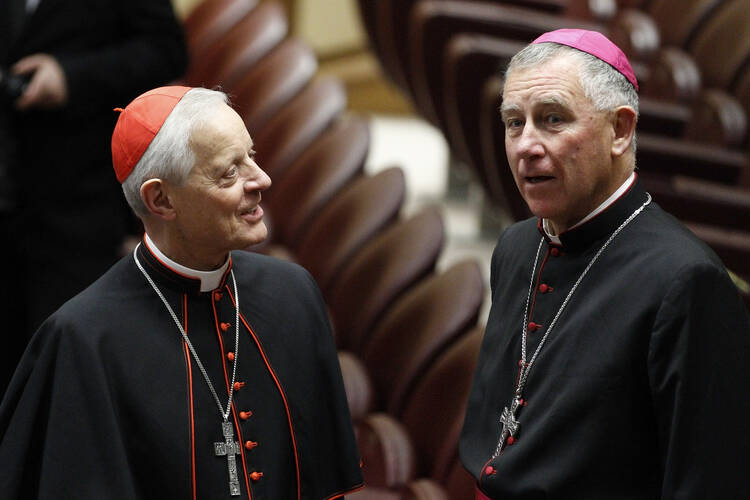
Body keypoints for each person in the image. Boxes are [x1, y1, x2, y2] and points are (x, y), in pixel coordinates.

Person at [0, 86, 364, 499]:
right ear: (160, 199)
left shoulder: (293, 295)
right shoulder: (83, 340)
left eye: (252, 156)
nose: (261, 180)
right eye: (229, 172)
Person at [459, 29, 750, 499]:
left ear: (620, 130)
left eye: (552, 119)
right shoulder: (516, 247)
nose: (525, 145)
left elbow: (710, 479)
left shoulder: (685, 280)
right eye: (515, 122)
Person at [0, 0, 188, 396]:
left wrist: (71, 77)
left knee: (62, 380)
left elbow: (166, 50)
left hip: (76, 205)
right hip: (8, 190)